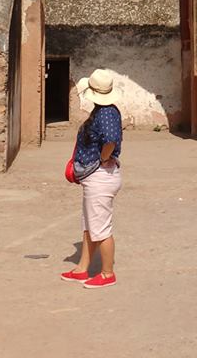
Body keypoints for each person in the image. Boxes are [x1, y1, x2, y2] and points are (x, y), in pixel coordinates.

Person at [61, 68, 123, 289]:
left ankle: (107, 273)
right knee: (91, 225)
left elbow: (111, 140)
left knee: (101, 227)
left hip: (101, 176)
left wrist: (102, 159)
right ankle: (82, 268)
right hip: (96, 176)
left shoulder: (106, 113)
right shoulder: (104, 111)